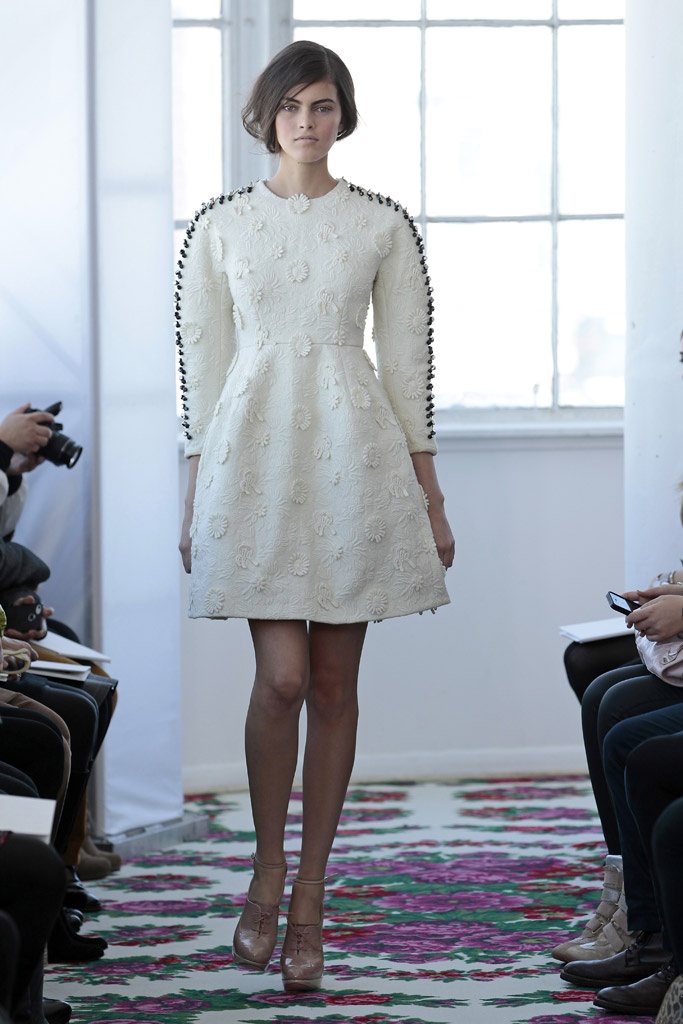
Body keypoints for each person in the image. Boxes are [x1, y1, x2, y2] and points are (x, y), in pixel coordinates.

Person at [177, 39, 454, 992]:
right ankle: (265, 870)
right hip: (253, 464)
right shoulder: (218, 226)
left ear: (344, 116)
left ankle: (307, 901)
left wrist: (431, 497)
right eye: (292, 105)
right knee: (283, 679)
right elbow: (204, 374)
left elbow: (407, 367)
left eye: (324, 104)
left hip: (354, 462)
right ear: (265, 115)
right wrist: (195, 494)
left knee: (333, 687)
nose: (308, 121)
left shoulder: (382, 224)